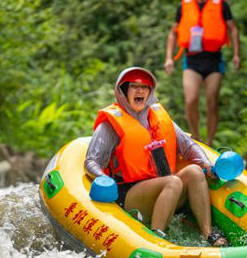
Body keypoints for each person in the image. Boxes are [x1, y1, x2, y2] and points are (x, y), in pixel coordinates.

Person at [84, 66, 229, 246]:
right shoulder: (109, 126)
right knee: (173, 181)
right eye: (134, 86)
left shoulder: (159, 117)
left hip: (165, 190)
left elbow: (188, 145)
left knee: (194, 171)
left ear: (150, 92)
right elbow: (91, 160)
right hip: (130, 196)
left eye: (144, 87)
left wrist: (206, 164)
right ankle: (156, 239)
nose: (140, 90)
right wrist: (102, 178)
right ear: (123, 91)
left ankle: (208, 233)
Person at [164, 0, 241, 146]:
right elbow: (173, 33)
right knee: (191, 100)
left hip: (214, 59)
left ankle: (210, 141)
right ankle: (196, 139)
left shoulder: (220, 3)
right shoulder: (183, 4)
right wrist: (169, 57)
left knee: (212, 100)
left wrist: (237, 54)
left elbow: (233, 29)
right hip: (192, 59)